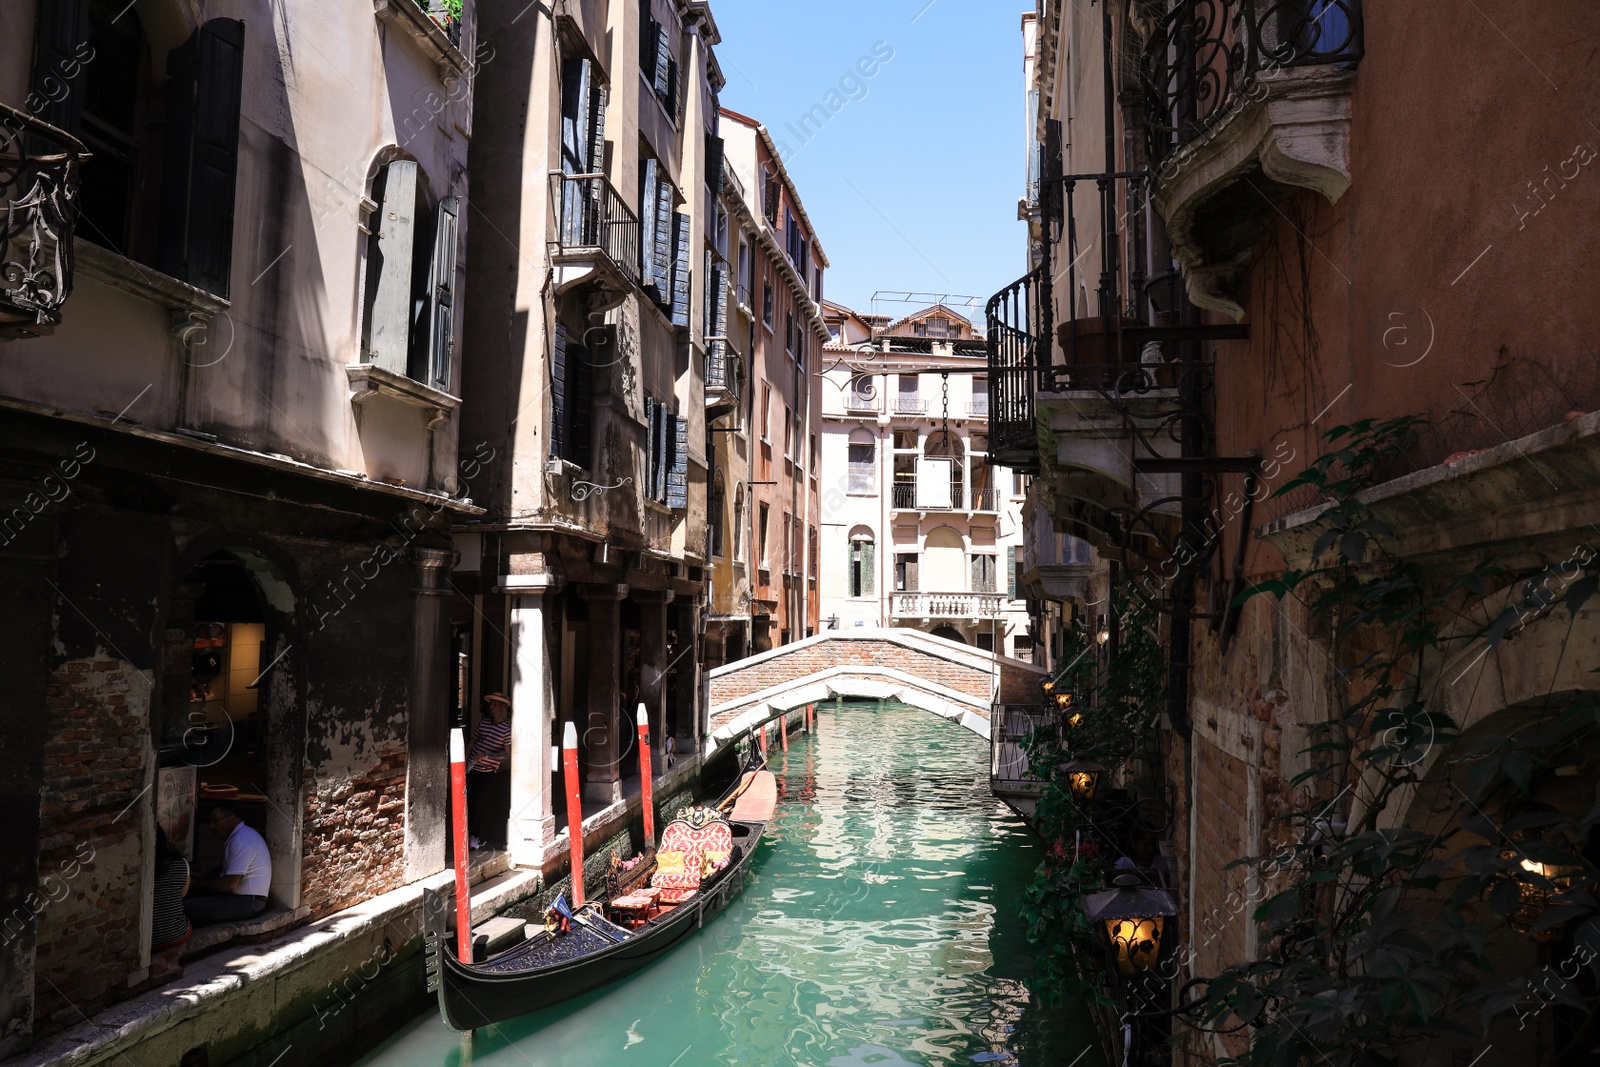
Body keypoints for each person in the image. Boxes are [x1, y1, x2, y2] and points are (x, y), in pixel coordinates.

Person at [184, 803, 271, 925]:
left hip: (248, 902)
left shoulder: (241, 840)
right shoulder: (240, 836)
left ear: (231, 819)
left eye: (215, 821)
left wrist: (196, 885)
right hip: (244, 899)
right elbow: (223, 873)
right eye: (210, 822)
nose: (211, 826)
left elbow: (229, 883)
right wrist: (199, 876)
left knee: (184, 908)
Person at [467, 693, 512, 849]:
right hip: (471, 768)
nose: (491, 707)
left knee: (478, 804)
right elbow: (473, 740)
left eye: (494, 705)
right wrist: (466, 760)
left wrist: (486, 755)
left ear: (503, 707)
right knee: (468, 801)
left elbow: (506, 754)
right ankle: (465, 834)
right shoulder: (484, 723)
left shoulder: (506, 730)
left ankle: (474, 836)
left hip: (486, 772)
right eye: (490, 704)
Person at [151, 825, 192, 953]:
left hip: (148, 938)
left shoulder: (137, 868)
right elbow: (183, 894)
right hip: (177, 935)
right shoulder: (180, 863)